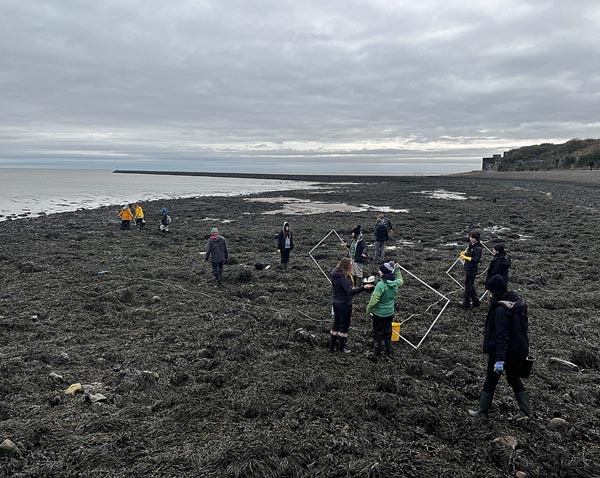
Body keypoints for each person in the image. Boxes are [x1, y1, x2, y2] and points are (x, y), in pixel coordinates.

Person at [468, 274, 531, 419]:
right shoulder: (517, 302)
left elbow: (502, 337)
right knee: (514, 379)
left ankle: (482, 411)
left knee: (491, 380)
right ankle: (525, 411)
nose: (489, 294)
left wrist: (500, 359)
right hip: (517, 350)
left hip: (503, 352)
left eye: (490, 291)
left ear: (495, 291)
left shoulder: (502, 310)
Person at [329, 257, 373, 353]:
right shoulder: (342, 278)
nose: (352, 266)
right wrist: (363, 288)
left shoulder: (336, 273)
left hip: (335, 302)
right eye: (350, 265)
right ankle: (341, 348)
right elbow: (349, 291)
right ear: (346, 266)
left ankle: (332, 347)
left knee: (336, 323)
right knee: (344, 325)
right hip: (344, 303)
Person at [366, 261, 404, 360]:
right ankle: (388, 353)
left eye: (380, 270)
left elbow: (374, 300)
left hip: (379, 314)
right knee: (388, 333)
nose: (379, 272)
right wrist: (398, 270)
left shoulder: (380, 285)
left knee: (377, 333)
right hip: (389, 313)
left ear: (384, 273)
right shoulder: (395, 283)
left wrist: (368, 309)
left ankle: (377, 353)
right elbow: (401, 280)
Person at [460, 231, 483, 309]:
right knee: (470, 286)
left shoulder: (478, 248)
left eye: (472, 237)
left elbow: (476, 259)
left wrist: (466, 258)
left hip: (472, 269)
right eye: (470, 237)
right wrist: (465, 253)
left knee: (468, 287)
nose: (470, 239)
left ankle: (466, 304)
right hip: (468, 267)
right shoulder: (471, 245)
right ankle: (476, 302)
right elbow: (470, 253)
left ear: (476, 239)